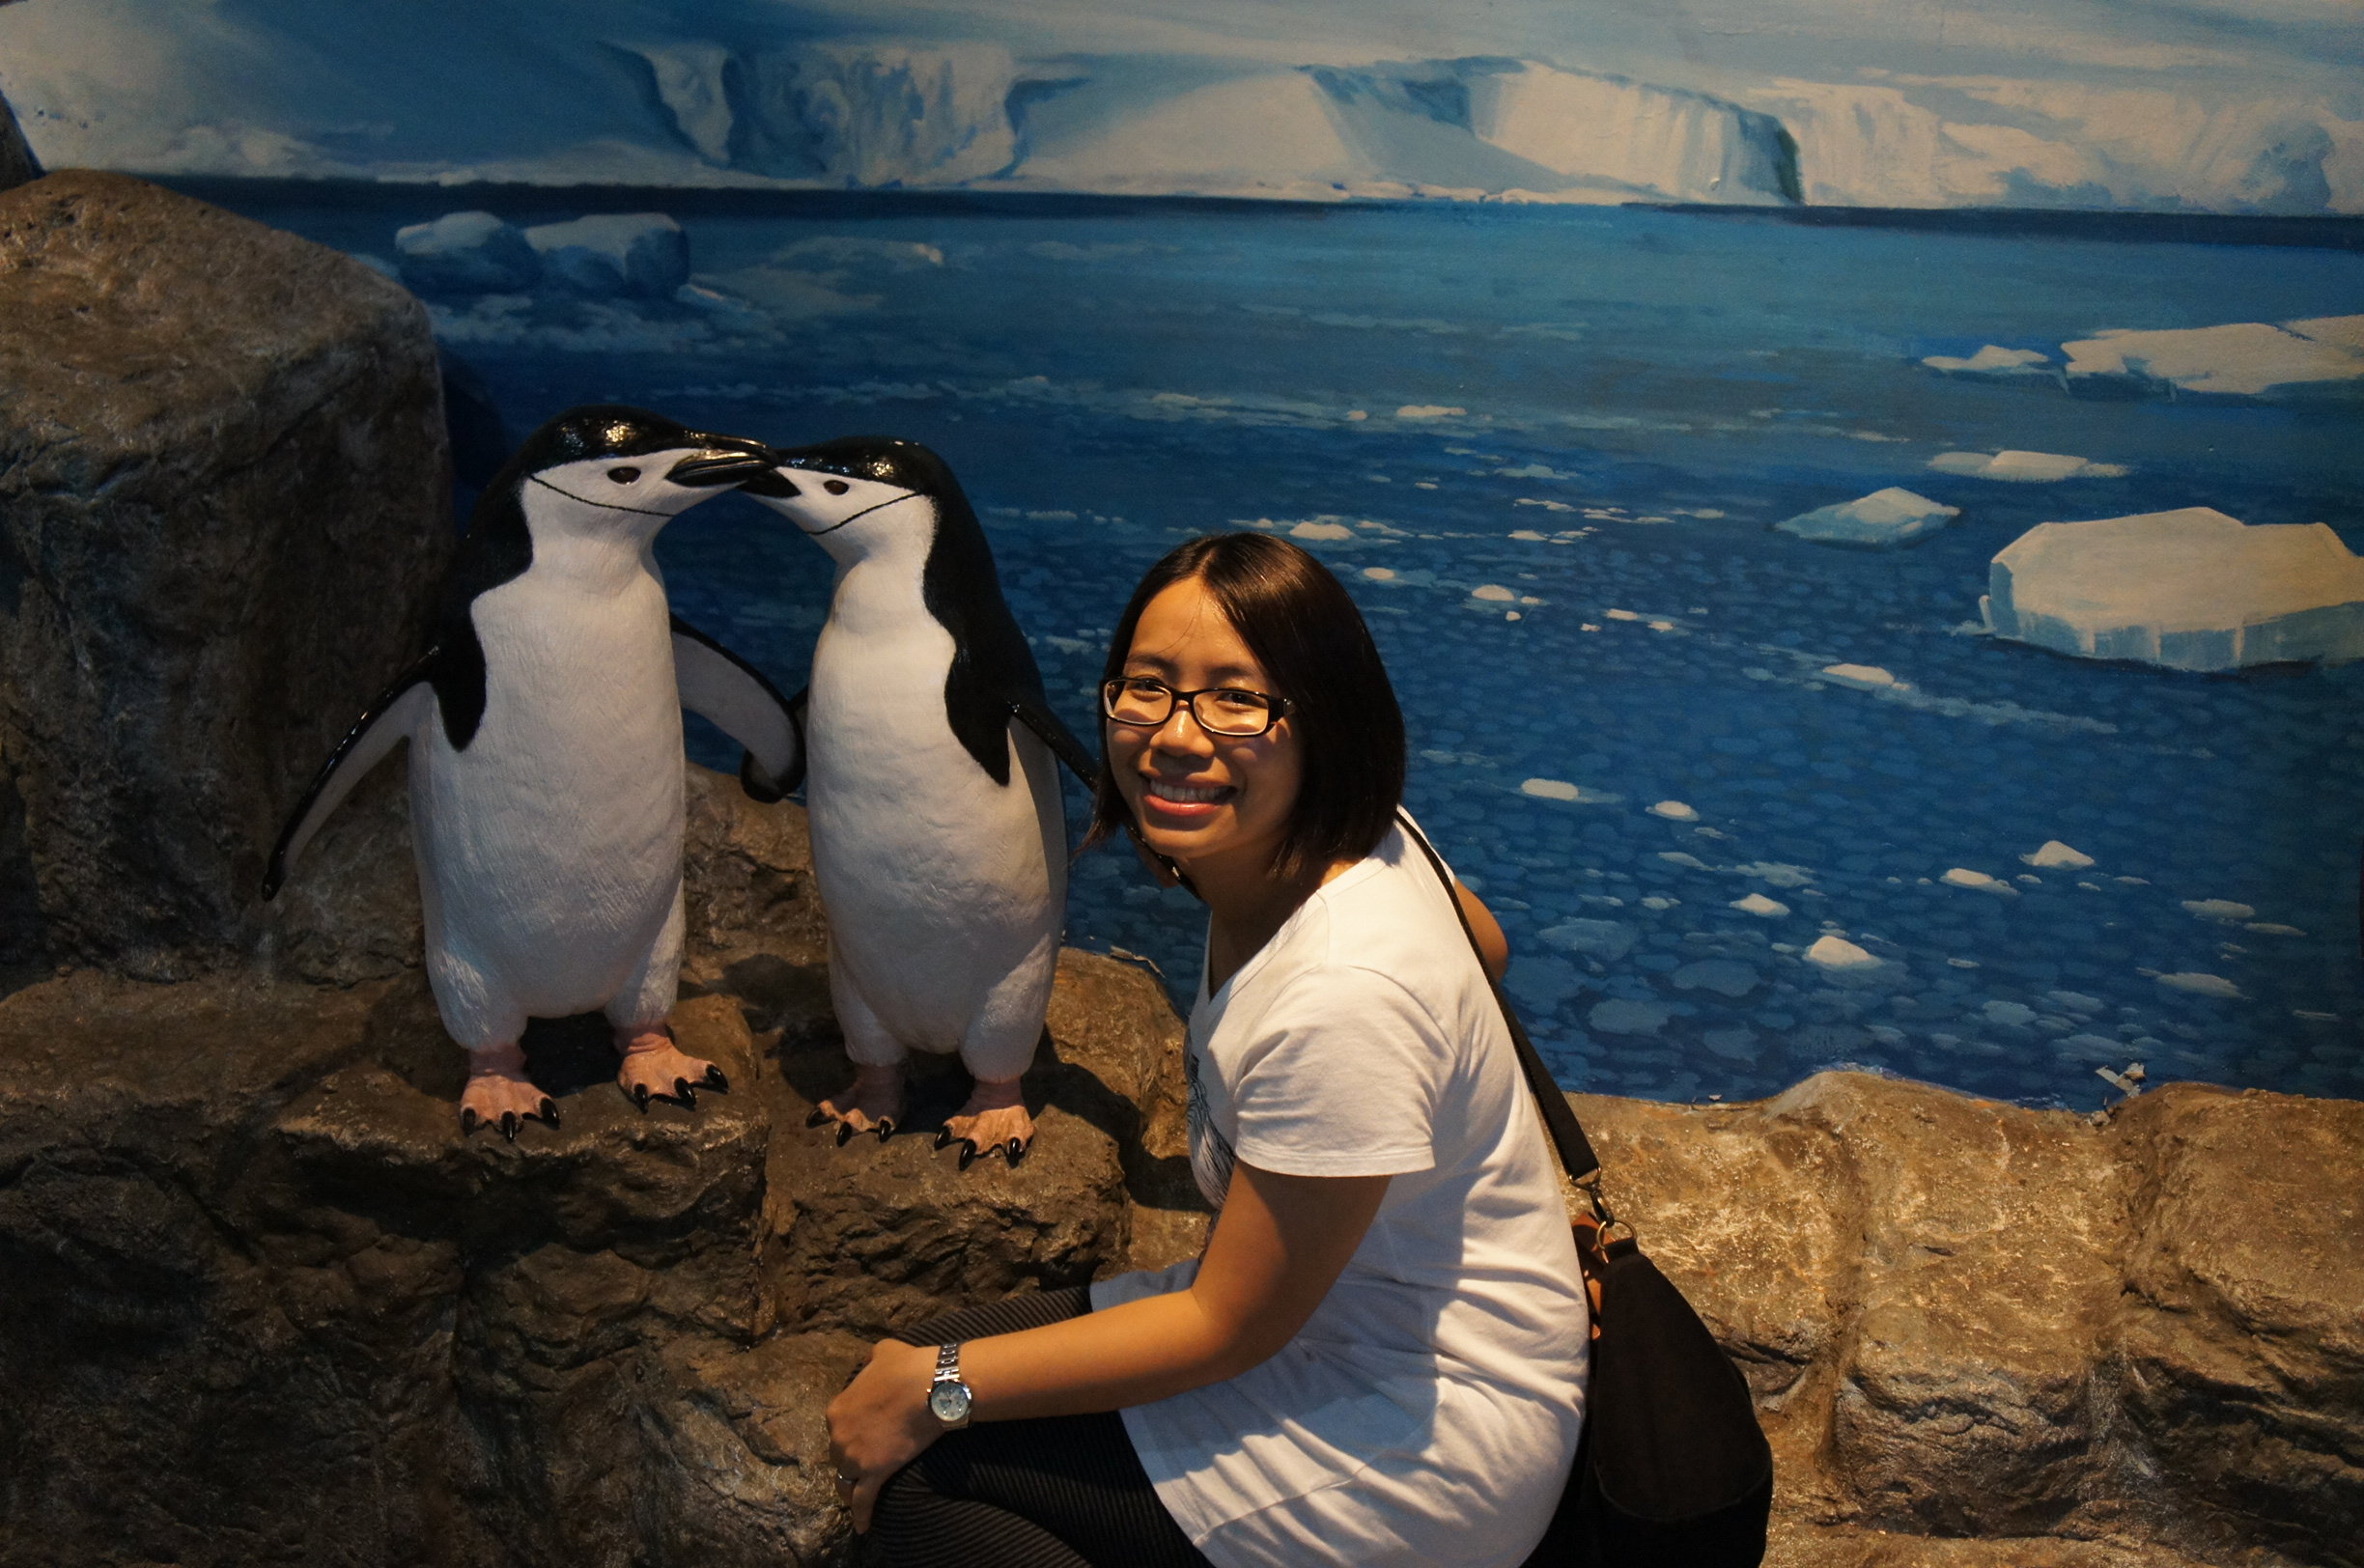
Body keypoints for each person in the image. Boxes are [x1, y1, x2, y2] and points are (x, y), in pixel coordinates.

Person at [826, 532, 1588, 1568]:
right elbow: (1483, 944)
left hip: (1417, 1446)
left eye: (1237, 699)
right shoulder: (1359, 834)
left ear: (1324, 719)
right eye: (1147, 687)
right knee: (927, 1359)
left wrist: (939, 1393)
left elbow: (1229, 1327)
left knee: (925, 1476)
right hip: (1347, 1329)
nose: (1177, 735)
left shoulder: (1343, 993)